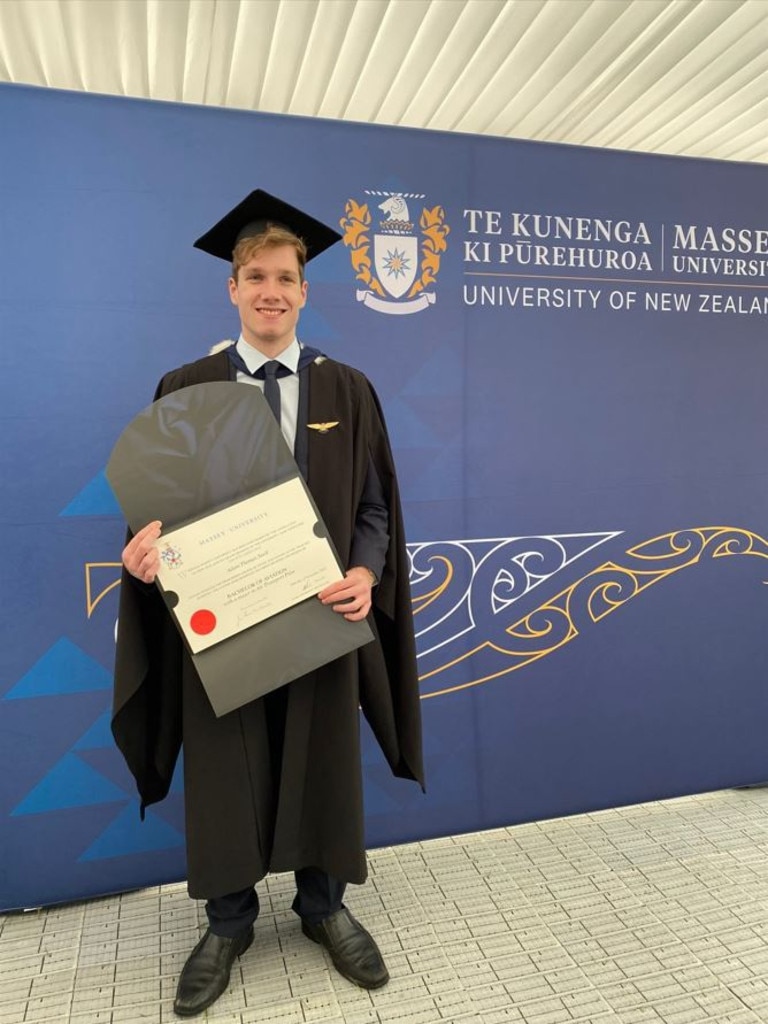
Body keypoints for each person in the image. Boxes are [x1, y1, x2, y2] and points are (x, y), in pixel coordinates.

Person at [111, 190, 424, 1018]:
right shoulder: (187, 386)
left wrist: (365, 571)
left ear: (305, 288)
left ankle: (324, 906)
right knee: (225, 766)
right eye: (255, 276)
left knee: (323, 757)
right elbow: (153, 510)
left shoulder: (348, 390)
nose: (270, 291)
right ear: (233, 287)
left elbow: (374, 510)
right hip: (222, 629)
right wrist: (141, 553)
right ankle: (228, 919)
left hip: (322, 619)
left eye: (285, 277)